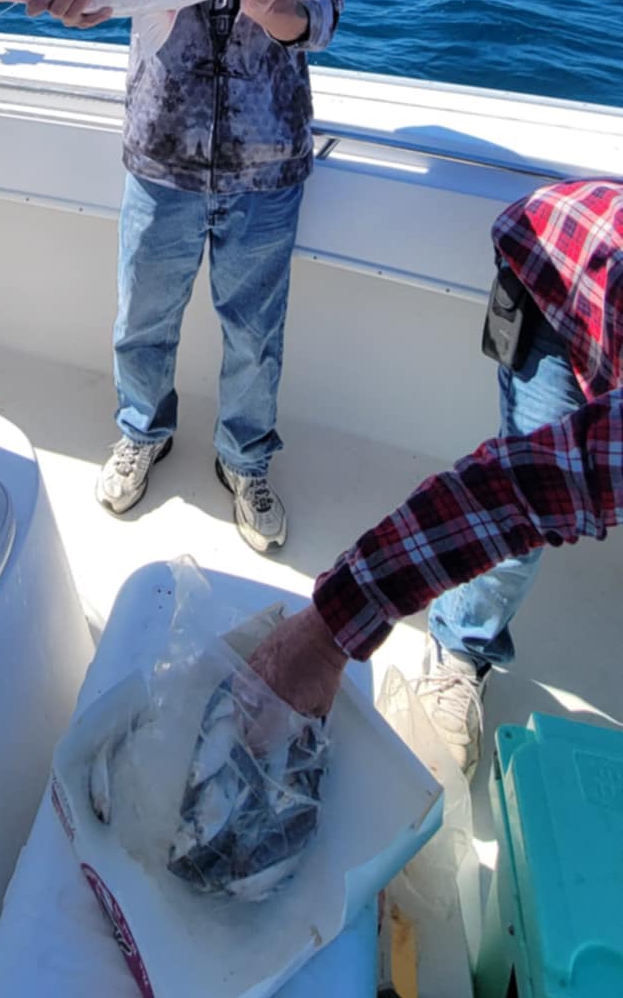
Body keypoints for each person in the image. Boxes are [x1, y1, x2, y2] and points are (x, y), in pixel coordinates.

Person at [32, 0, 342, 552]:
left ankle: (246, 460)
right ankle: (141, 431)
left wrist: (272, 10)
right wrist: (82, 4)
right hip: (161, 153)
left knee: (254, 333)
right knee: (143, 316)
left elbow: (320, 11)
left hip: (265, 165)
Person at [248, 178, 623, 772]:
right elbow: (514, 496)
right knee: (523, 513)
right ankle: (462, 646)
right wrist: (325, 634)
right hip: (562, 259)